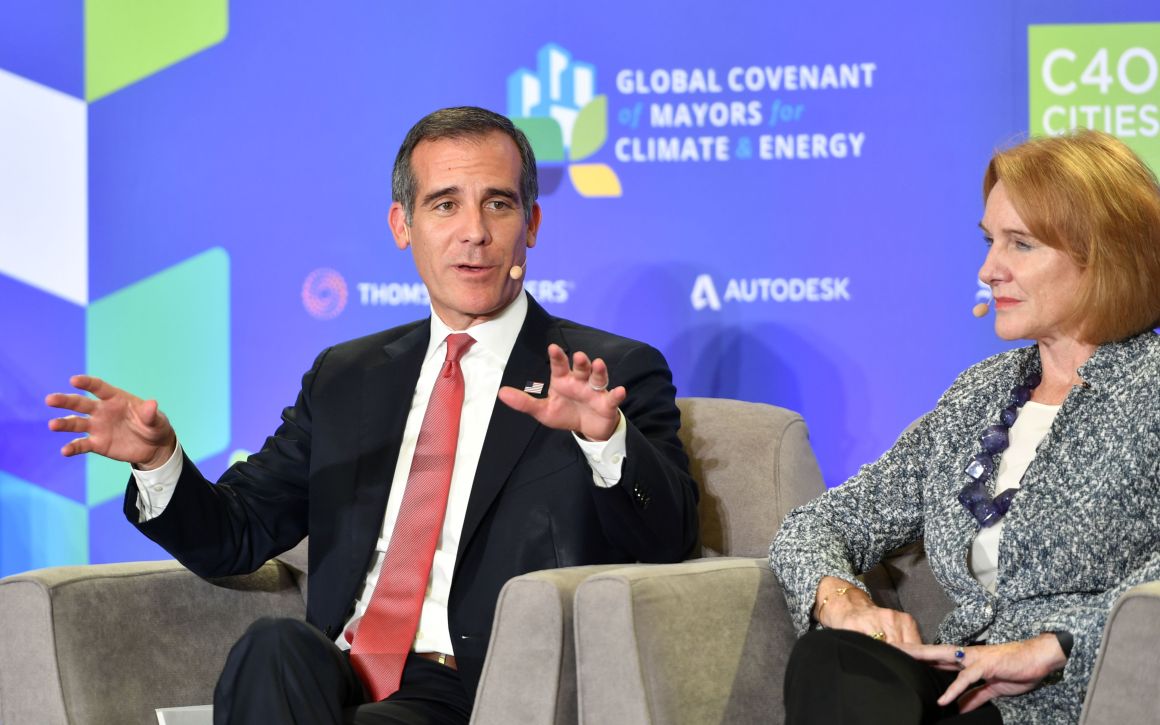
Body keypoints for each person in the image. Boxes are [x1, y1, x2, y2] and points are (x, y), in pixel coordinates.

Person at [46, 106, 699, 725]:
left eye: (498, 203)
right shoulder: (348, 376)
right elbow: (236, 533)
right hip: (337, 670)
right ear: (402, 224)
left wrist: (605, 438)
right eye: (445, 204)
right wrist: (159, 461)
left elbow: (669, 542)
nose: (474, 230)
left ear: (531, 224)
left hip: (477, 683)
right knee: (273, 646)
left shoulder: (603, 373)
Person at [770, 129, 1160, 725]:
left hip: (1078, 697)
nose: (988, 269)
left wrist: (1055, 643)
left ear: (1103, 254)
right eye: (989, 241)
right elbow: (816, 524)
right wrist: (843, 601)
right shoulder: (979, 393)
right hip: (953, 687)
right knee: (836, 657)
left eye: (1020, 245)